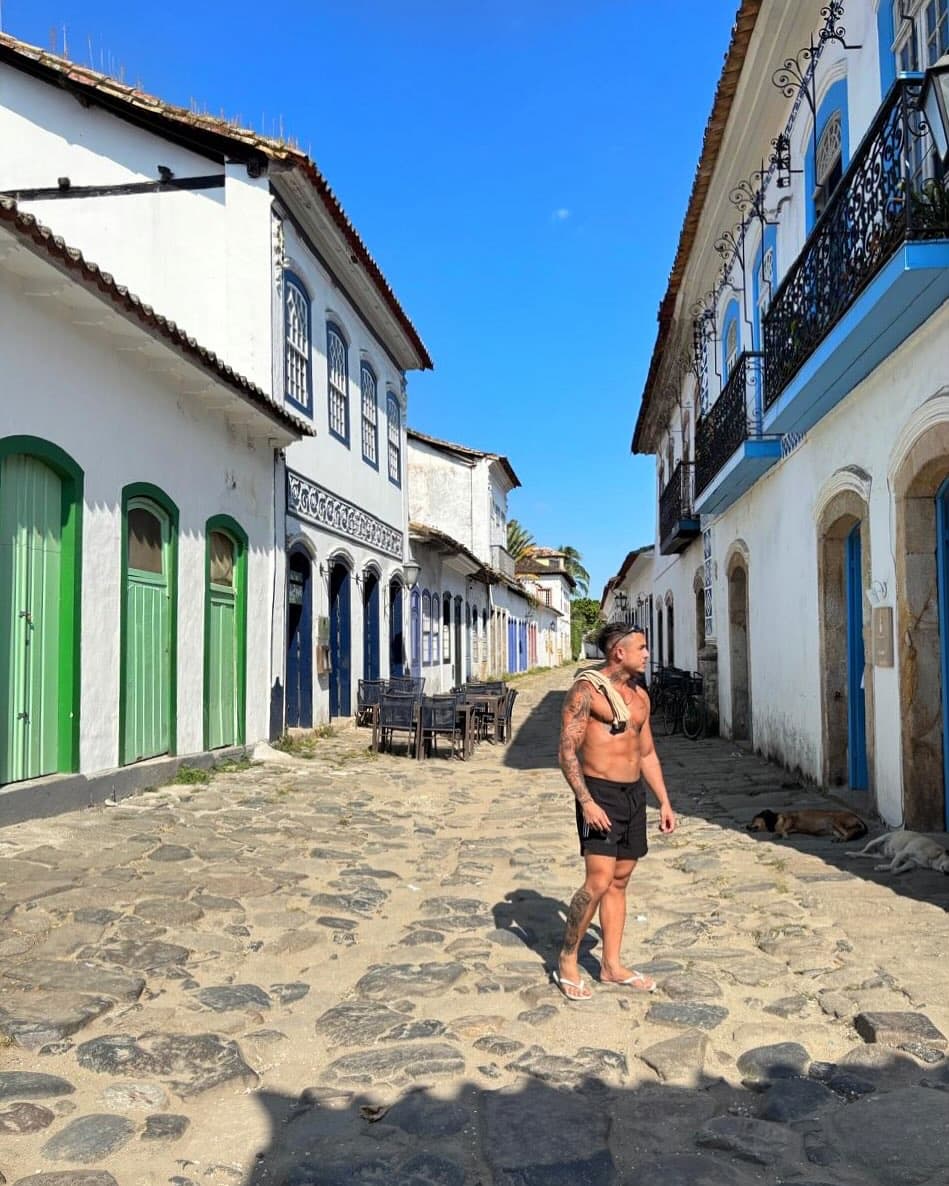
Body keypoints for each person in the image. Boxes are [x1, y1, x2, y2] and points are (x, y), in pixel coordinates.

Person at [554, 622, 676, 1001]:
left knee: (620, 881)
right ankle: (567, 959)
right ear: (618, 652)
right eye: (641, 647)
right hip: (600, 794)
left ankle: (611, 964)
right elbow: (567, 751)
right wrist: (586, 801)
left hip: (632, 794)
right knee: (598, 880)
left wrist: (664, 801)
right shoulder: (586, 691)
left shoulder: (640, 697)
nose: (647, 653)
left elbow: (647, 752)